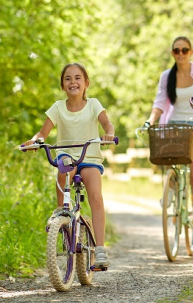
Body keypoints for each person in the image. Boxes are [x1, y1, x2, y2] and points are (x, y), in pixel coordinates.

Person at [22, 62, 115, 270]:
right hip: (67, 154)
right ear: (62, 86)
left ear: (86, 83)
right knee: (63, 169)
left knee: (95, 195)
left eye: (77, 78)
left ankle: (100, 248)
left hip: (89, 155)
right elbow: (42, 133)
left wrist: (108, 133)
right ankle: (61, 213)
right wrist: (35, 141)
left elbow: (107, 123)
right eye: (68, 79)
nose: (73, 82)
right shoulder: (57, 107)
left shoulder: (94, 105)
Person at [145, 36, 193, 245]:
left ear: (191, 52)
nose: (181, 54)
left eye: (185, 50)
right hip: (174, 125)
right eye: (177, 50)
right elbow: (159, 101)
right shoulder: (167, 76)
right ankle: (171, 190)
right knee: (170, 163)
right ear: (172, 53)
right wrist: (151, 120)